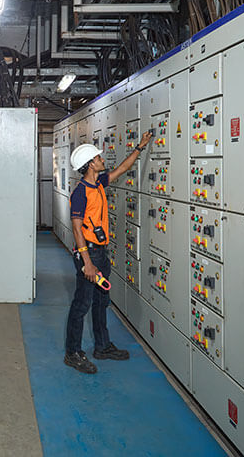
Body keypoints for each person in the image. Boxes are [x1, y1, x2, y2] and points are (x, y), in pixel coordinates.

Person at [64, 129, 153, 374]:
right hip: (89, 255)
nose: (103, 160)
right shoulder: (80, 192)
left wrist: (140, 146)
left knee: (101, 302)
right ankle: (72, 353)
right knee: (81, 304)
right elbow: (76, 227)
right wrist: (87, 263)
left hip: (100, 253)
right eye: (99, 158)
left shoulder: (99, 183)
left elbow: (122, 169)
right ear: (91, 164)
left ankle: (102, 347)